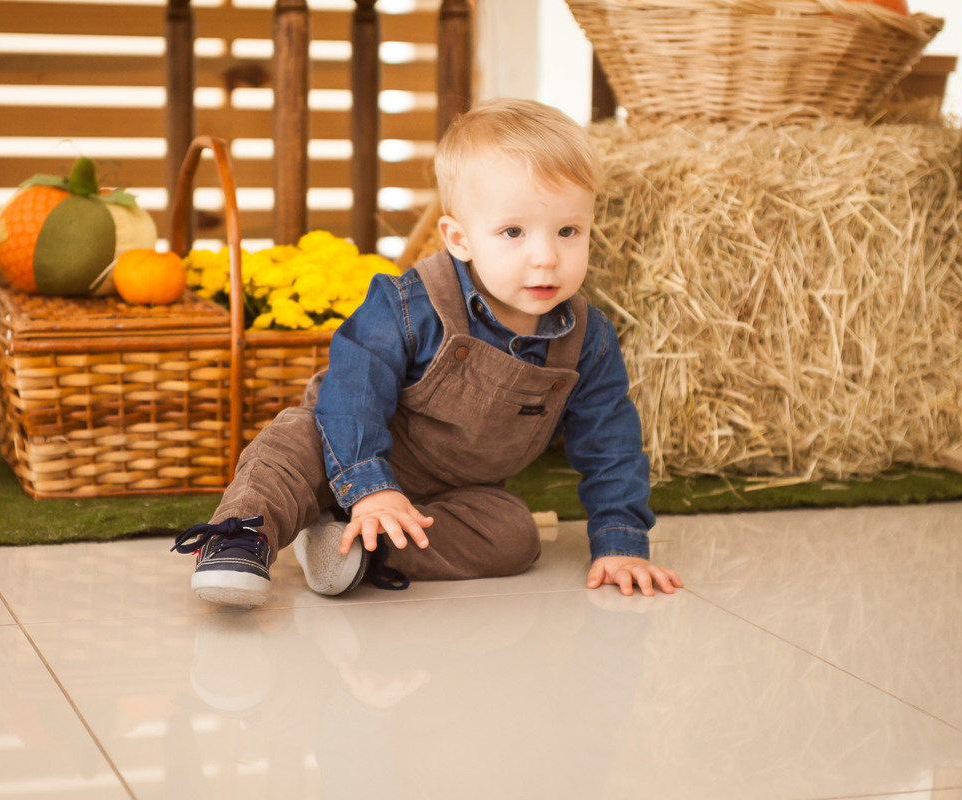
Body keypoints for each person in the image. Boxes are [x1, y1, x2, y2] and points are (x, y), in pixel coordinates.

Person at [172, 97, 683, 608]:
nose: (547, 257)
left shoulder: (587, 339)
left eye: (568, 231)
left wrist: (621, 542)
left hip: (449, 495)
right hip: (346, 450)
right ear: (459, 239)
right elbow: (352, 394)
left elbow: (611, 443)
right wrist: (369, 486)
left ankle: (352, 548)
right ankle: (240, 538)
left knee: (513, 534)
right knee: (292, 440)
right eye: (513, 232)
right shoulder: (408, 304)